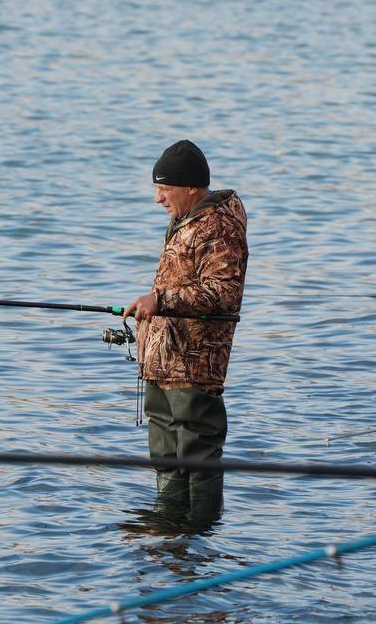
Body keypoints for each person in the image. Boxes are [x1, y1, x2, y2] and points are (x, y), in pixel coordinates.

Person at [125, 140, 248, 523]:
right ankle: (168, 526)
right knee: (164, 447)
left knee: (197, 445)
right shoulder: (185, 217)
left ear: (191, 187)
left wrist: (159, 301)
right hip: (163, 358)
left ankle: (201, 529)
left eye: (165, 189)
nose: (158, 199)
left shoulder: (219, 226)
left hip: (196, 361)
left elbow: (223, 292)